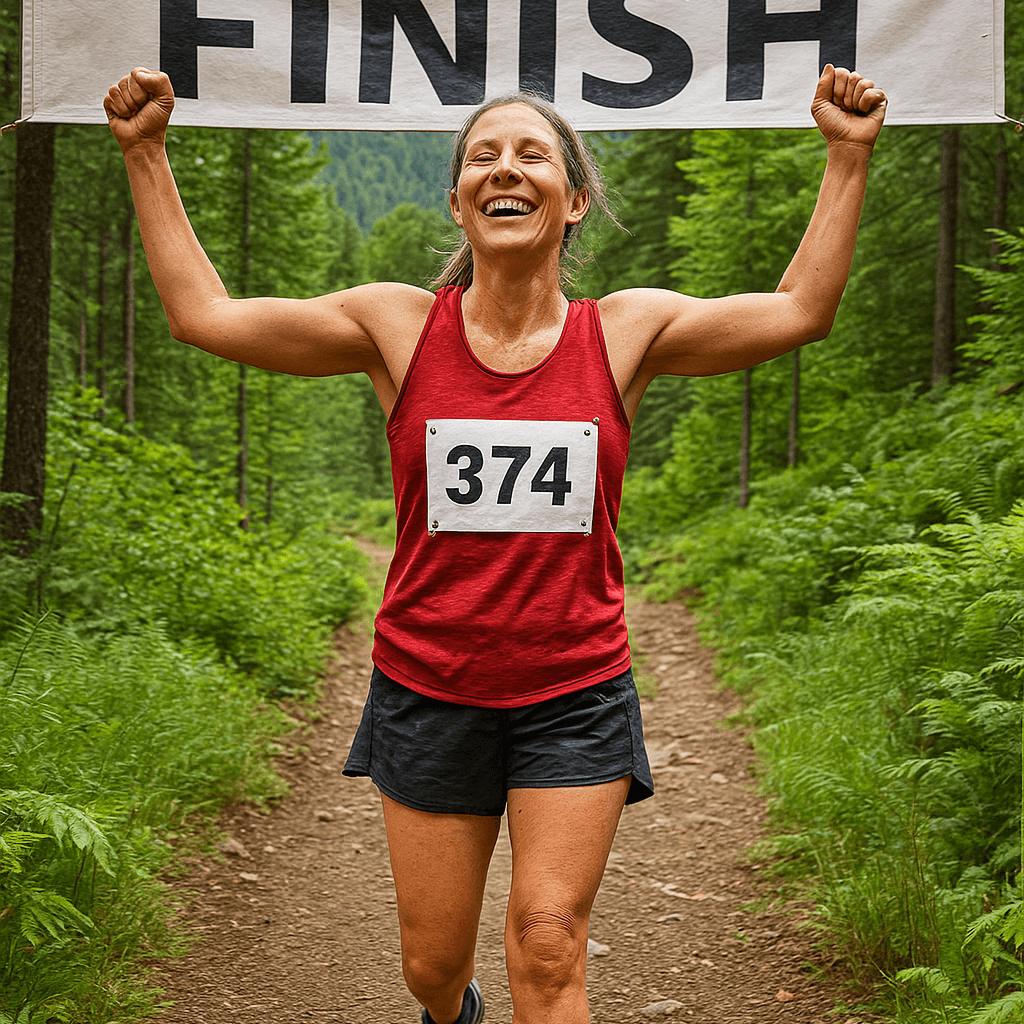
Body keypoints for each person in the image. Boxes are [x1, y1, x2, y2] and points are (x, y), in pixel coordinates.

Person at [104, 64, 886, 1024]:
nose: (503, 169)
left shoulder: (625, 331)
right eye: (482, 156)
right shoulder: (396, 325)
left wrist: (847, 159)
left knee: (550, 944)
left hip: (576, 692)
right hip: (429, 690)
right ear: (459, 201)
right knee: (431, 970)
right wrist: (145, 151)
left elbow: (800, 310)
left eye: (530, 154)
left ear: (576, 201)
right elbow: (205, 318)